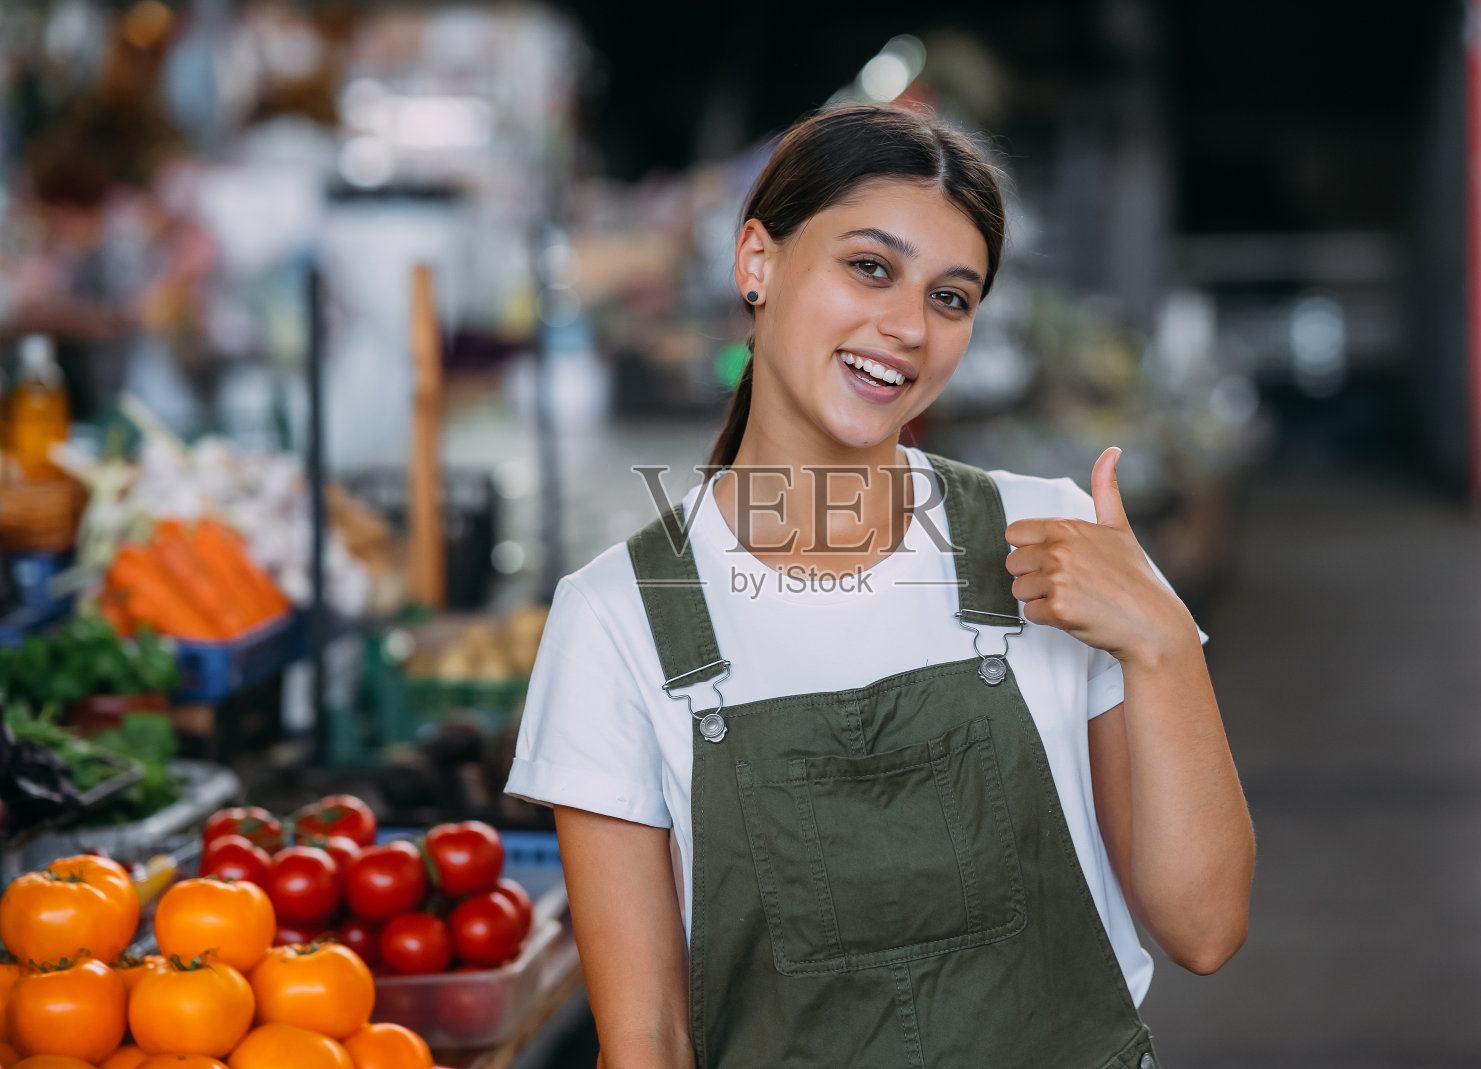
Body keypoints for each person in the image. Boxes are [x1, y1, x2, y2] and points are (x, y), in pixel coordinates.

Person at [506, 104, 1254, 1068]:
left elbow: (1204, 928)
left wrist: (1158, 641)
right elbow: (646, 1040)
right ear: (756, 263)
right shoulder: (619, 619)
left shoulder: (1055, 541)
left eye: (952, 298)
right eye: (870, 266)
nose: (906, 327)